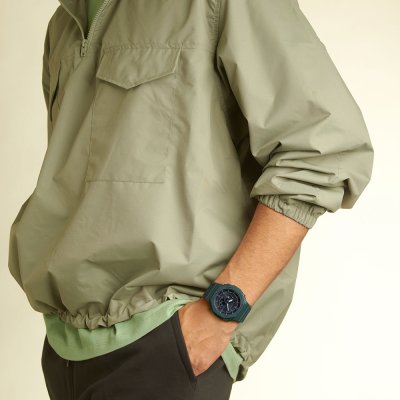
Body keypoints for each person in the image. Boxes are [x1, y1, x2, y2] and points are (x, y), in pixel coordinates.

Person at [8, 0, 374, 399]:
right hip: (64, 347)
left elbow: (323, 150)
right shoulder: (64, 22)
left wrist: (219, 314)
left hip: (164, 342)